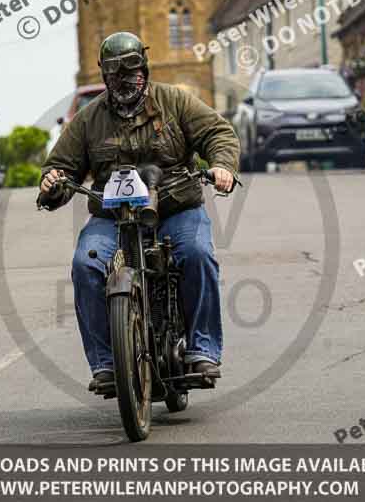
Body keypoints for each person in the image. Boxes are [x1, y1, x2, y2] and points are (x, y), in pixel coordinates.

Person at [39, 31, 240, 390]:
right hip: (112, 217)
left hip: (177, 207)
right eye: (115, 74)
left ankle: (203, 350)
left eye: (131, 71)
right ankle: (105, 363)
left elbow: (218, 133)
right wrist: (53, 183)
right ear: (104, 76)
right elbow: (61, 167)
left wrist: (222, 166)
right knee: (85, 265)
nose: (124, 80)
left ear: (144, 70)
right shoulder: (88, 119)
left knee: (197, 254)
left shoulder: (176, 102)